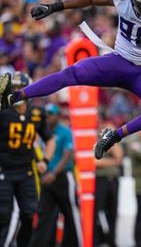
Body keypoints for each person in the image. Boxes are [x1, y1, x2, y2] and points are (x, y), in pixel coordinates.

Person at [0, 0, 141, 159]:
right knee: (71, 73)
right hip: (118, 62)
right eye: (138, 4)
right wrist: (53, 7)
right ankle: (14, 97)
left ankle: (114, 136)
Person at [0, 72, 54, 247]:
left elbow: (50, 140)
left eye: (20, 87)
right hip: (4, 171)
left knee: (29, 214)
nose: (16, 91)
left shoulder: (37, 112)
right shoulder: (3, 111)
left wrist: (45, 161)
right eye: (14, 87)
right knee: (5, 214)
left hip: (27, 171)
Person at [29, 103, 82, 247]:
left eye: (51, 115)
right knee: (44, 215)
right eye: (46, 115)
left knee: (70, 213)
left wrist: (53, 173)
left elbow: (68, 155)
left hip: (63, 177)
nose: (48, 118)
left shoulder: (65, 131)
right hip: (46, 178)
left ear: (57, 116)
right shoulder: (41, 133)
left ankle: (74, 243)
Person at [94, 122, 123, 247]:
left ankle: (111, 241)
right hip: (99, 180)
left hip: (113, 180)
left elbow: (119, 157)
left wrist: (110, 137)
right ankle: (96, 240)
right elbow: (93, 162)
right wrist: (112, 162)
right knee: (96, 212)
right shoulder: (91, 138)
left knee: (113, 211)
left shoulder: (108, 139)